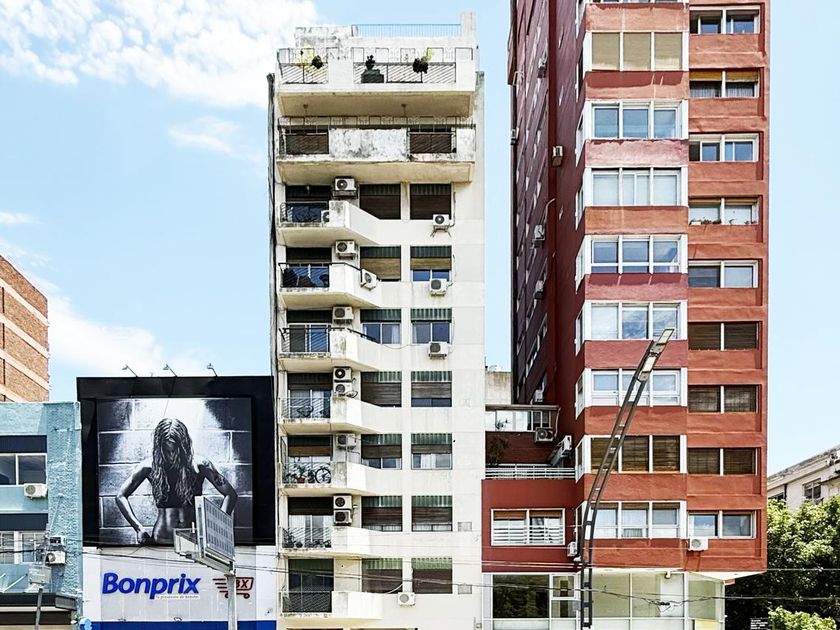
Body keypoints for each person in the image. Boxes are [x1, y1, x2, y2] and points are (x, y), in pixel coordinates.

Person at [115, 418, 237, 544]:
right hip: (163, 537)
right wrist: (138, 528)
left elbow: (230, 494)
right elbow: (120, 496)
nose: (172, 456)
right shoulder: (149, 467)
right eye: (167, 451)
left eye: (175, 451)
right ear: (160, 448)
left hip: (193, 537)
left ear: (183, 447)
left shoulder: (200, 465)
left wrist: (218, 527)